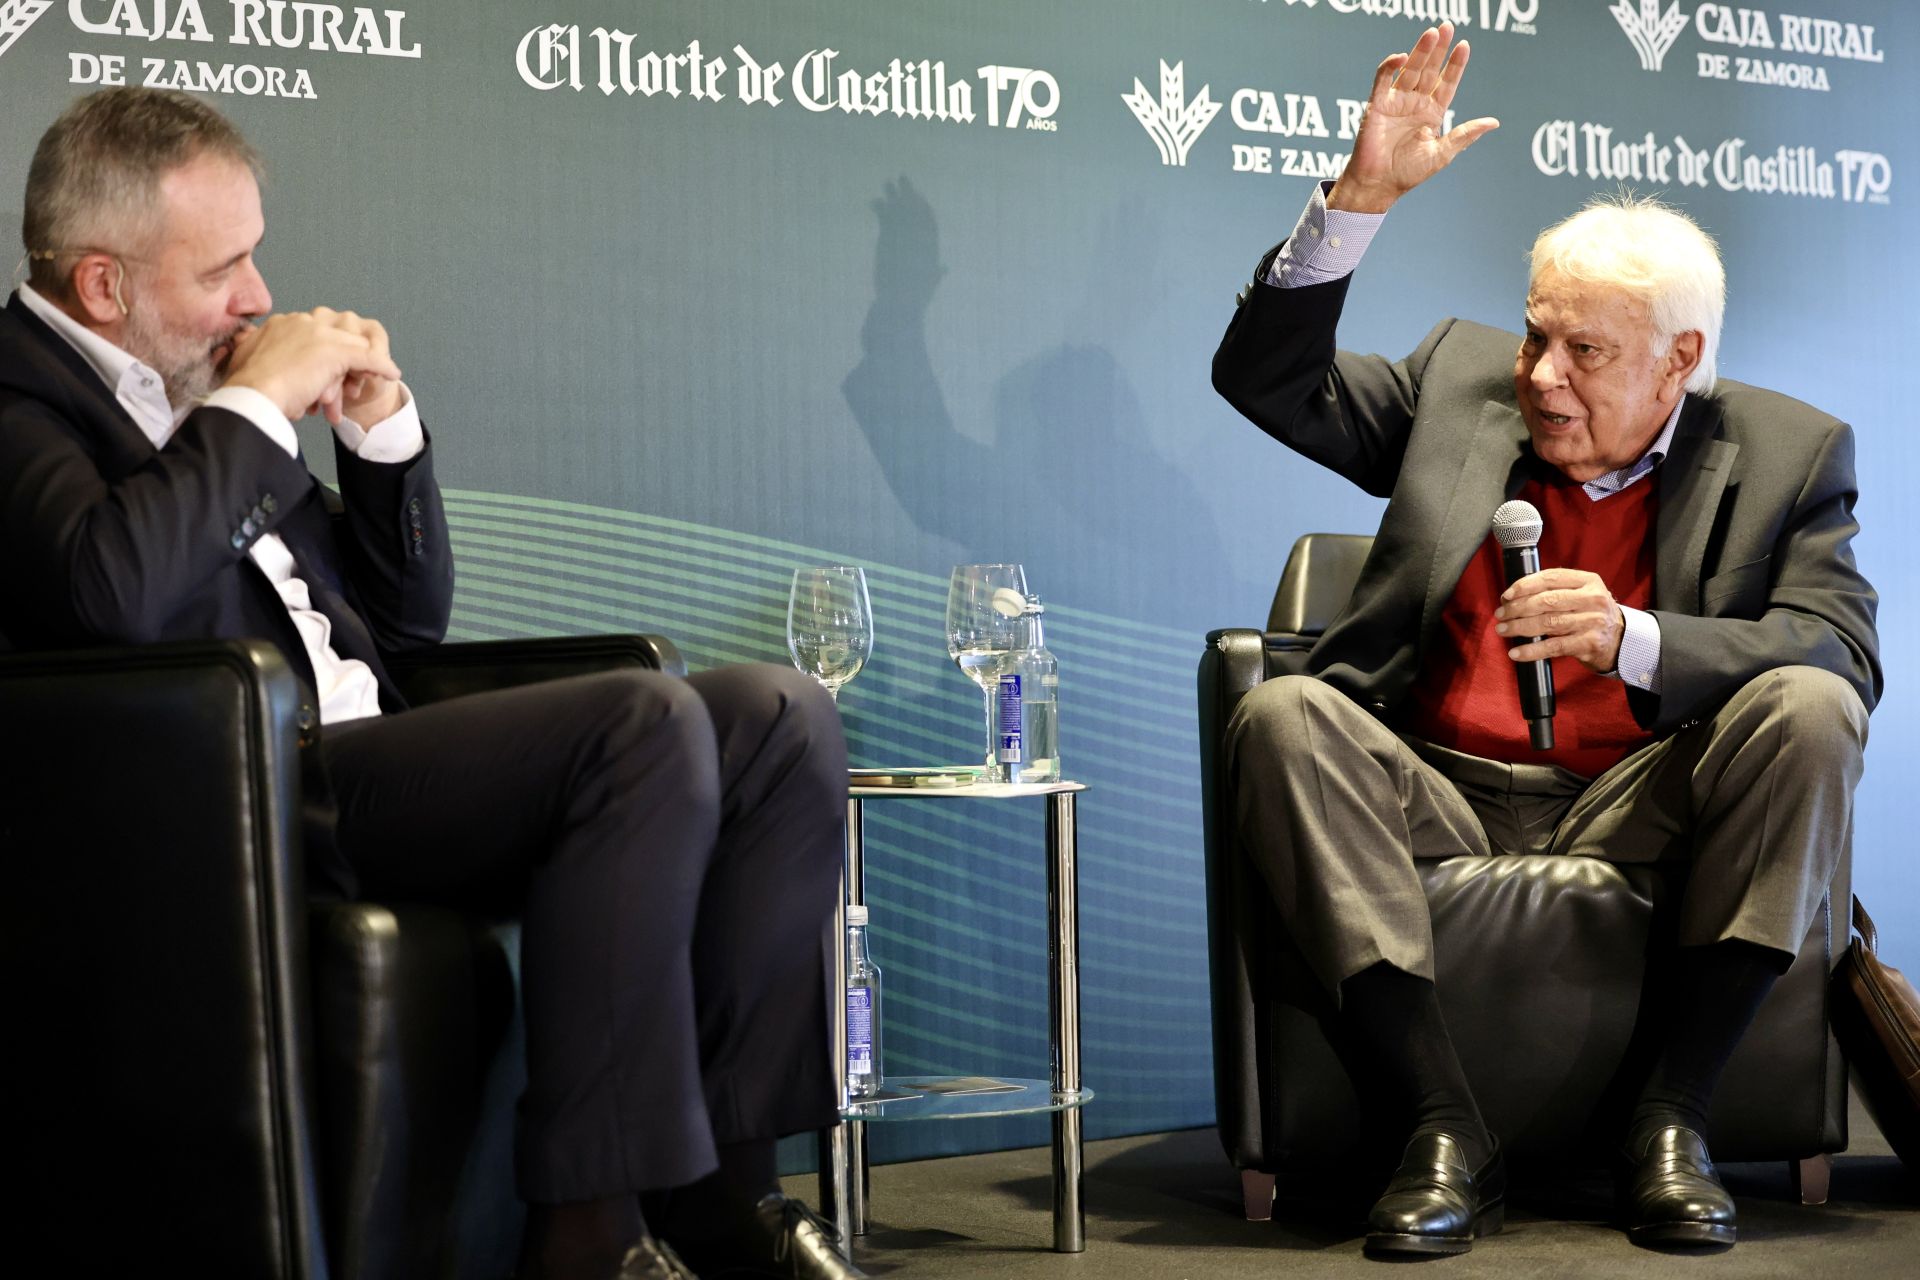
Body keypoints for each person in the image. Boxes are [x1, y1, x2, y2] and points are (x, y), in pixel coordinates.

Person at [0, 88, 864, 1280]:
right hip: (243, 796)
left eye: (256, 255)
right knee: (640, 720)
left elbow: (404, 627)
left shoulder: (193, 375)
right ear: (103, 286)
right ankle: (590, 1232)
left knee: (778, 717)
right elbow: (110, 595)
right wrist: (255, 406)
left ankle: (726, 1188)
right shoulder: (21, 407)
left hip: (378, 760)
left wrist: (376, 433)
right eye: (224, 268)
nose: (257, 296)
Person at [1211, 23, 1878, 1258]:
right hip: (1438, 791)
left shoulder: (1791, 450)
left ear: (1682, 359)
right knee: (1284, 713)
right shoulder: (1457, 385)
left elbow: (1835, 650)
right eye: (1537, 335)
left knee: (1810, 711)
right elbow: (1266, 380)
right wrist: (1357, 202)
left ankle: (1670, 1122)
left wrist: (1636, 639)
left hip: (1641, 795)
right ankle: (1440, 1128)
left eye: (1588, 350)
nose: (1543, 375)